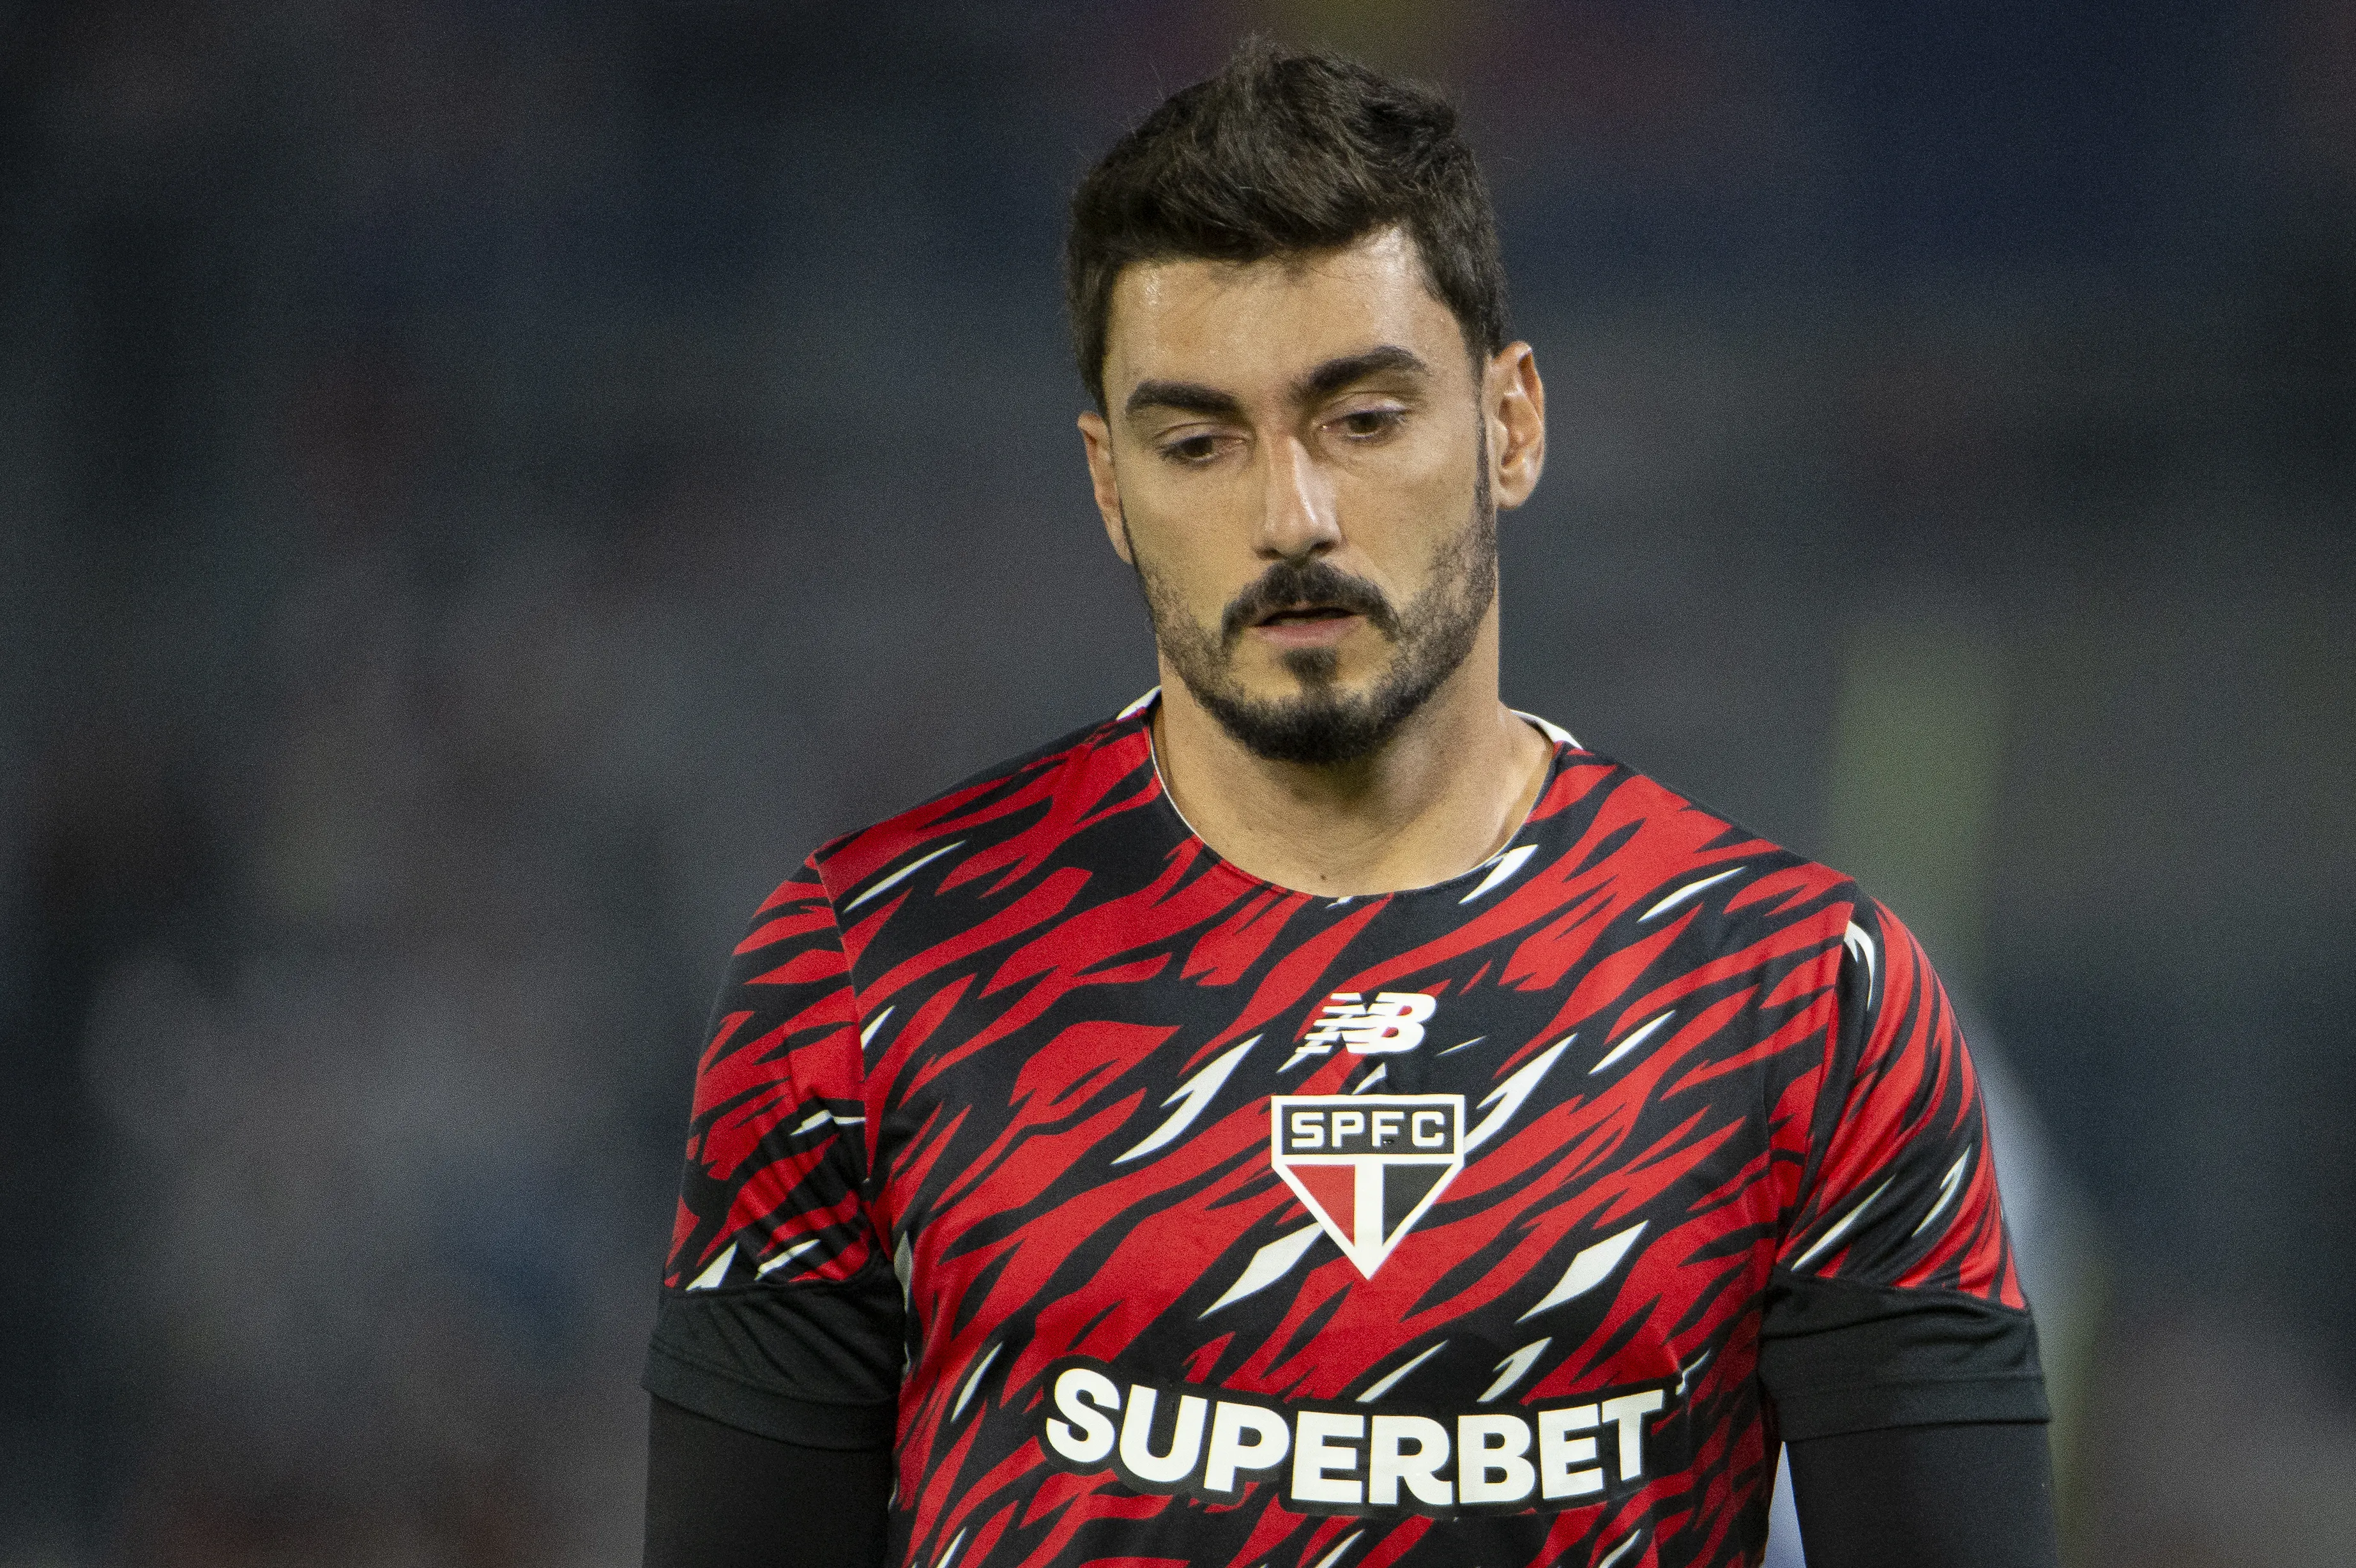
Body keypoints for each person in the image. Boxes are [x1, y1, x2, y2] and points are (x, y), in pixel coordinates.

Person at [641, 41, 2058, 1568]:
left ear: (1509, 424)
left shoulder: (1798, 998)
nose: (1289, 516)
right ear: (1108, 483)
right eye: (1197, 442)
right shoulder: (867, 971)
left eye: (1362, 419)